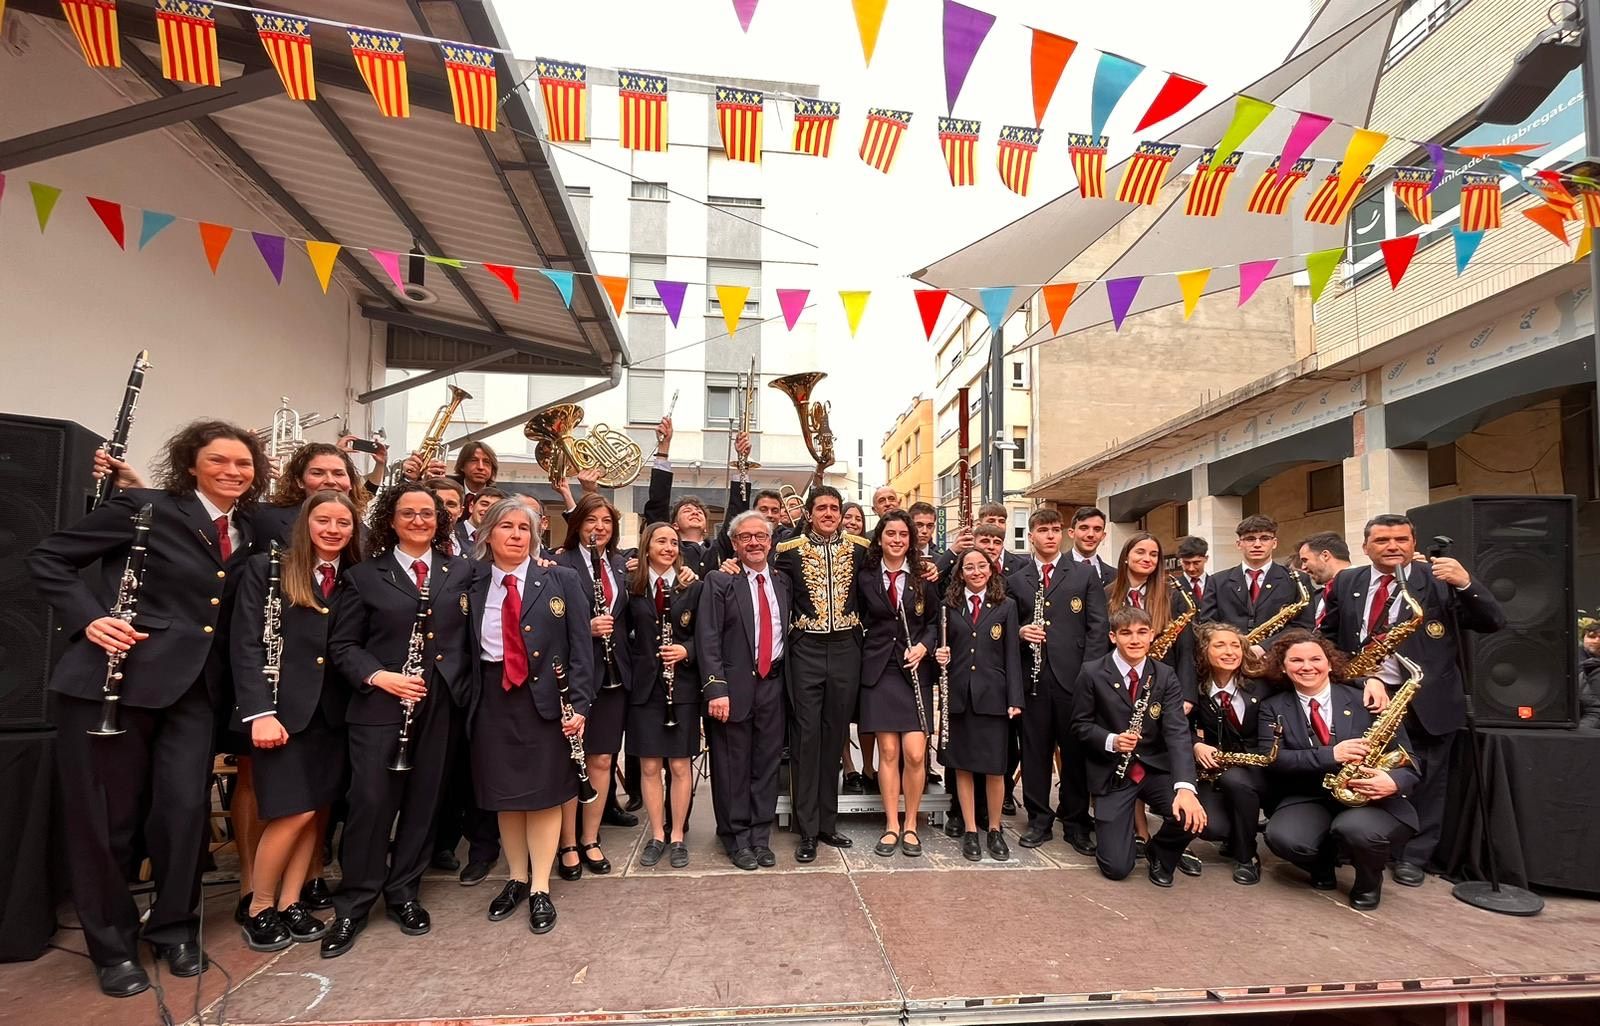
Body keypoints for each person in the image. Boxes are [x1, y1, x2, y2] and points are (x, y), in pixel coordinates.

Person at [29, 420, 268, 997]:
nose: (233, 472)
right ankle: (111, 947)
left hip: (196, 693)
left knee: (183, 814)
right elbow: (50, 557)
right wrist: (90, 619)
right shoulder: (144, 507)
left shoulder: (251, 529)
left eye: (244, 463)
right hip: (117, 683)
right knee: (106, 821)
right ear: (191, 464)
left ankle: (175, 930)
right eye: (219, 461)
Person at [323, 483, 473, 958]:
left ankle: (404, 892)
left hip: (441, 701)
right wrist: (381, 677)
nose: (418, 520)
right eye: (407, 513)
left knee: (424, 801)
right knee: (370, 801)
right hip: (381, 705)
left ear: (439, 520)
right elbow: (343, 646)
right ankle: (354, 903)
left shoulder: (463, 570)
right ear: (390, 520)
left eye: (427, 513)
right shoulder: (365, 576)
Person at [1316, 514, 1504, 885]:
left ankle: (1413, 857)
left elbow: (1492, 622)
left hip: (1424, 698)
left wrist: (1467, 583)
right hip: (1364, 696)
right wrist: (1360, 675)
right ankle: (1355, 844)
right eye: (1383, 540)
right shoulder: (1348, 581)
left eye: (1401, 539)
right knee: (1358, 772)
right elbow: (1328, 638)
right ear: (1366, 546)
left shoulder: (1440, 580)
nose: (1393, 547)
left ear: (1413, 543)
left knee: (1429, 781)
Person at [231, 491, 361, 950]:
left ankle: (290, 903)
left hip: (333, 716)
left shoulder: (352, 577)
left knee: (314, 814)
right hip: (281, 714)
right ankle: (259, 907)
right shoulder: (268, 571)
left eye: (343, 523)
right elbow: (246, 645)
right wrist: (260, 713)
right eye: (323, 520)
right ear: (305, 522)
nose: (333, 530)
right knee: (292, 811)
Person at [465, 498, 594, 934]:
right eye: (506, 526)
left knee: (542, 795)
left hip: (546, 703)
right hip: (493, 701)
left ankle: (540, 885)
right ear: (488, 535)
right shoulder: (472, 581)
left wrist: (579, 704)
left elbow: (581, 647)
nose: (517, 535)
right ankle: (515, 877)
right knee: (507, 796)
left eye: (525, 528)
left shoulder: (560, 579)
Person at [1258, 630, 1420, 910]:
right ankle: (1322, 864)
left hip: (1370, 798)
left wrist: (1393, 781)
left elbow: (1412, 760)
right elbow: (1272, 759)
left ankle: (1369, 880)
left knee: (1356, 830)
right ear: (1283, 667)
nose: (1307, 666)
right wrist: (1330, 754)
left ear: (1330, 663)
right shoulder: (1272, 707)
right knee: (1283, 838)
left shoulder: (1368, 698)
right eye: (1296, 660)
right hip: (1311, 795)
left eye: (1315, 659)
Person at [1071, 607, 1207, 885]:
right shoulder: (1092, 672)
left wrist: (1185, 788)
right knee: (1117, 868)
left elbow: (1178, 732)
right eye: (1126, 633)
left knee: (1194, 815)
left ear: (1152, 635)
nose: (1135, 640)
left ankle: (1162, 853)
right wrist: (1112, 741)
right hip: (1113, 774)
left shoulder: (1165, 675)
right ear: (1113, 637)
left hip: (1153, 769)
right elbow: (1079, 726)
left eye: (1142, 632)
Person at [774, 486, 869, 862]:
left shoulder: (861, 549)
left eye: (834, 507)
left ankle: (828, 824)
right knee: (806, 737)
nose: (829, 513)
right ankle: (807, 830)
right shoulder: (788, 551)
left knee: (834, 737)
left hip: (847, 648)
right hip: (806, 650)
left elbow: (899, 561)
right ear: (809, 513)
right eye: (822, 508)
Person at [1007, 508, 1109, 856]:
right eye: (1041, 530)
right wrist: (1021, 632)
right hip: (1033, 679)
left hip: (1075, 678)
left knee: (1076, 752)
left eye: (1054, 530)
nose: (1049, 536)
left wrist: (1089, 675)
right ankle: (1039, 818)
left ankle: (1077, 821)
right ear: (1031, 536)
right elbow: (1008, 627)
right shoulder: (1018, 579)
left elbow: (1097, 628)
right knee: (1034, 751)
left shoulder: (1083, 574)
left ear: (1063, 534)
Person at [698, 511, 791, 869]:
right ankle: (735, 837)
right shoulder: (720, 582)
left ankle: (759, 835)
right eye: (745, 537)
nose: (754, 542)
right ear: (734, 544)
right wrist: (716, 689)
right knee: (732, 765)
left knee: (766, 765)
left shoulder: (784, 581)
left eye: (760, 536)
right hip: (733, 689)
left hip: (773, 686)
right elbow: (708, 640)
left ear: (770, 542)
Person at [1106, 532, 1201, 876]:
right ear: (1126, 555)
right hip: (1122, 692)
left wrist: (1188, 695)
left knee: (1157, 757)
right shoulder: (1109, 593)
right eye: (1140, 551)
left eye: (1153, 553)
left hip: (1165, 690)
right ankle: (1139, 833)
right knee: (1130, 756)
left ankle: (1162, 841)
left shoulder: (1171, 595)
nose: (1147, 558)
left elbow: (1187, 650)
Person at [554, 492, 635, 878]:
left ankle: (590, 838)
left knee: (602, 759)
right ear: (577, 525)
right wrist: (584, 629)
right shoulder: (557, 563)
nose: (598, 528)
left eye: (606, 522)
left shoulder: (620, 566)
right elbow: (547, 625)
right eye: (591, 521)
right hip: (574, 674)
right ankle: (567, 842)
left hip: (614, 676)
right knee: (572, 759)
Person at [935, 547, 1024, 862]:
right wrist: (939, 656)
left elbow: (1013, 655)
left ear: (991, 569)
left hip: (993, 698)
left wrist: (1015, 698)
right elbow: (941, 650)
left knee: (994, 768)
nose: (976, 572)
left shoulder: (1006, 606)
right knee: (962, 767)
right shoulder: (948, 606)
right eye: (968, 567)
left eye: (981, 566)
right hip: (959, 697)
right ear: (960, 573)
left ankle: (995, 829)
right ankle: (971, 829)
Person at [857, 511, 937, 858]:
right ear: (880, 538)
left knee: (915, 753)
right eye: (891, 533)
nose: (897, 540)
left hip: (914, 669)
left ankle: (911, 825)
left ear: (912, 539)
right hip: (878, 670)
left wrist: (924, 646)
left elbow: (936, 621)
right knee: (888, 751)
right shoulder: (865, 577)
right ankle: (892, 824)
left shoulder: (925, 575)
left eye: (904, 534)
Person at [625, 523, 703, 868]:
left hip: (682, 686)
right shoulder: (633, 587)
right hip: (645, 687)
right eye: (661, 541)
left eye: (674, 542)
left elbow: (707, 636)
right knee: (650, 765)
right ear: (647, 546)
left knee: (680, 764)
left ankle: (677, 837)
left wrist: (686, 651)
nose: (669, 547)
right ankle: (656, 833)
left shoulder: (692, 587)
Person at [1187, 622, 1271, 885]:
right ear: (1204, 651)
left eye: (1236, 645)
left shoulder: (1264, 684)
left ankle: (1247, 856)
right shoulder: (1197, 689)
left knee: (1236, 781)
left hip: (1261, 769)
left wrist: (1370, 682)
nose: (1230, 651)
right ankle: (1233, 833)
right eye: (1220, 645)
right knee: (1211, 827)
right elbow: (1176, 728)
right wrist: (1195, 744)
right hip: (1217, 770)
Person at [1200, 514, 1316, 656]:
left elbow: (1303, 627)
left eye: (1265, 538)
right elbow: (1207, 624)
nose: (1257, 544)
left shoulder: (1296, 580)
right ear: (1239, 544)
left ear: (1274, 543)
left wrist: (1263, 647)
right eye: (1250, 539)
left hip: (1278, 659)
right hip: (1231, 658)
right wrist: (1233, 645)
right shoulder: (1217, 581)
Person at [254, 442, 367, 544]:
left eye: (338, 474)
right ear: (300, 481)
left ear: (351, 483)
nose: (330, 481)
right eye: (317, 473)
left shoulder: (366, 534)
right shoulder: (264, 518)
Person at [1297, 531, 1351, 628]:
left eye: (1305, 560)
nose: (1303, 567)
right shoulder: (1318, 595)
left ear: (1325, 555)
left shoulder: (1366, 585)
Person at [1067, 506, 1115, 586]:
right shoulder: (1054, 568)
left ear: (1103, 536)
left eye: (1097, 529)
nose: (1091, 534)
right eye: (1084, 528)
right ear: (1071, 533)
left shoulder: (1115, 576)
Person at [454, 485, 505, 557]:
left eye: (494, 507)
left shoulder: (499, 541)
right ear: (471, 507)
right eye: (484, 504)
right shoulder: (452, 533)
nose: (488, 510)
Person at [977, 502, 1025, 575]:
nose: (997, 525)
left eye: (1001, 521)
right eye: (991, 521)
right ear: (979, 526)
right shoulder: (964, 561)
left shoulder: (1022, 565)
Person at [1578, 613, 1600, 730]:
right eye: (1592, 637)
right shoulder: (1573, 656)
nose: (1596, 641)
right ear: (1583, 638)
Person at [1175, 536, 1210, 607]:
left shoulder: (1218, 586)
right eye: (1186, 563)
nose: (1191, 569)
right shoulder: (1171, 588)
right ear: (1180, 561)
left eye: (1196, 563)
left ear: (1206, 559)